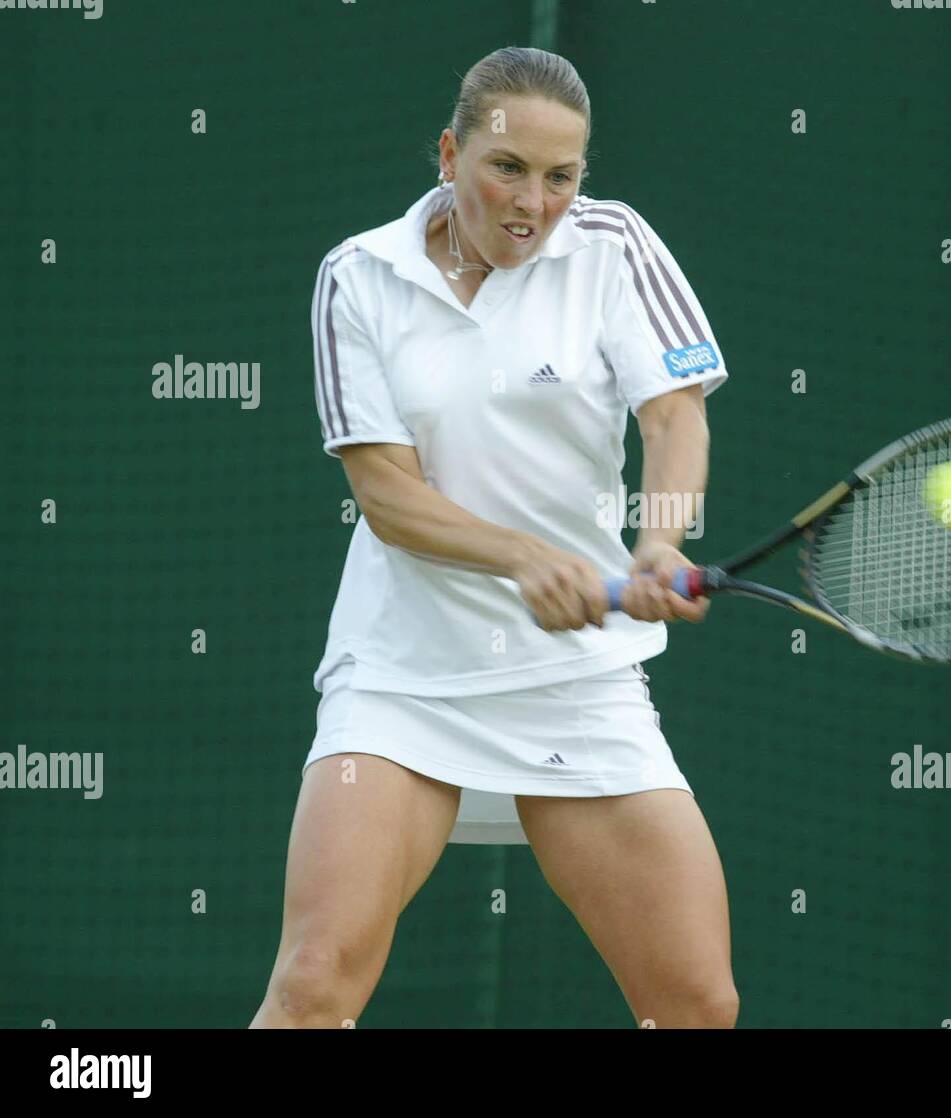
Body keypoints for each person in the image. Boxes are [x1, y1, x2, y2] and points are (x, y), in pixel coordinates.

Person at [250, 46, 737, 1029]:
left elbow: (674, 418)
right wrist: (523, 557)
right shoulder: (359, 275)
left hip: (576, 681)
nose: (534, 201)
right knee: (312, 987)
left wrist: (659, 539)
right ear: (448, 153)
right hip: (403, 674)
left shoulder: (615, 248)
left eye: (562, 176)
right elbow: (386, 493)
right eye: (506, 168)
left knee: (695, 1002)